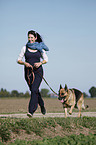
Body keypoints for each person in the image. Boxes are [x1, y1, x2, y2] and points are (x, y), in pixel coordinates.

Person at [17, 30, 49, 117]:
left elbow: (46, 59)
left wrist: (40, 63)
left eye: (32, 37)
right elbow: (18, 60)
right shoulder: (25, 48)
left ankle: (31, 111)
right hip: (28, 72)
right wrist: (25, 63)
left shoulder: (40, 48)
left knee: (34, 90)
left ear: (35, 38)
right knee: (34, 90)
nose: (30, 39)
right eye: (29, 37)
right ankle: (41, 105)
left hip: (38, 72)